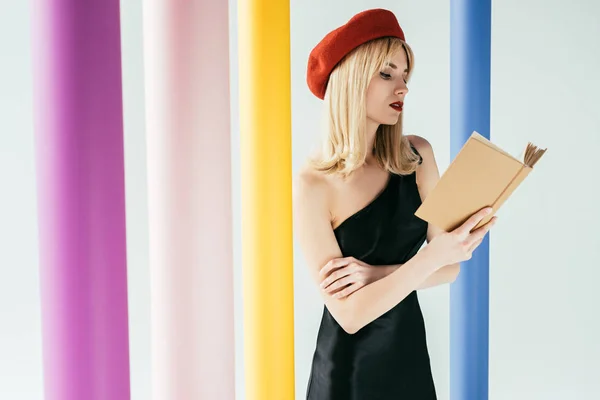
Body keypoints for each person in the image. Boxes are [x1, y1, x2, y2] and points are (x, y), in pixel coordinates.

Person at [293, 8, 498, 399]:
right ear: (352, 80)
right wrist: (431, 257)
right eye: (387, 73)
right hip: (345, 375)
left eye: (405, 75)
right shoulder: (312, 186)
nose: (402, 87)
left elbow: (449, 268)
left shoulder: (418, 156)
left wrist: (373, 274)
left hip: (409, 359)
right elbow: (350, 315)